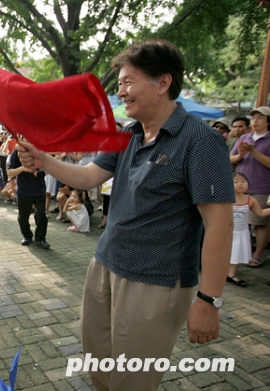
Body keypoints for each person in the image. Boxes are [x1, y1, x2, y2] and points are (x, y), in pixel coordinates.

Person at [18, 39, 234, 390]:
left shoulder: (200, 141)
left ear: (162, 83)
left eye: (128, 82)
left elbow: (219, 224)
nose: (121, 92)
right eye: (119, 84)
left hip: (155, 281)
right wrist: (44, 160)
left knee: (132, 380)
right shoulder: (128, 134)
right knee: (99, 367)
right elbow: (89, 176)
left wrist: (209, 300)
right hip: (105, 265)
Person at [230, 106, 270, 268]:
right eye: (253, 118)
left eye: (260, 117)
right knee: (240, 223)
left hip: (262, 186)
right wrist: (241, 155)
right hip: (240, 186)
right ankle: (239, 254)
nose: (255, 121)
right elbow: (231, 159)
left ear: (267, 121)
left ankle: (258, 255)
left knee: (260, 222)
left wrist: (253, 151)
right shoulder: (244, 137)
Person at [228, 172, 270, 287]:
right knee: (227, 252)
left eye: (243, 181)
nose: (240, 184)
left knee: (236, 253)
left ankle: (231, 274)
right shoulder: (227, 198)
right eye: (236, 181)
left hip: (242, 232)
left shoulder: (250, 199)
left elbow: (260, 213)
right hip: (228, 231)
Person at [8, 148, 49, 249]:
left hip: (39, 189)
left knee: (41, 215)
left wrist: (39, 172)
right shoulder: (17, 152)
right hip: (24, 190)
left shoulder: (40, 149)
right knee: (23, 217)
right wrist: (23, 169)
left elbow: (48, 168)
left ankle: (40, 238)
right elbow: (10, 172)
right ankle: (27, 236)